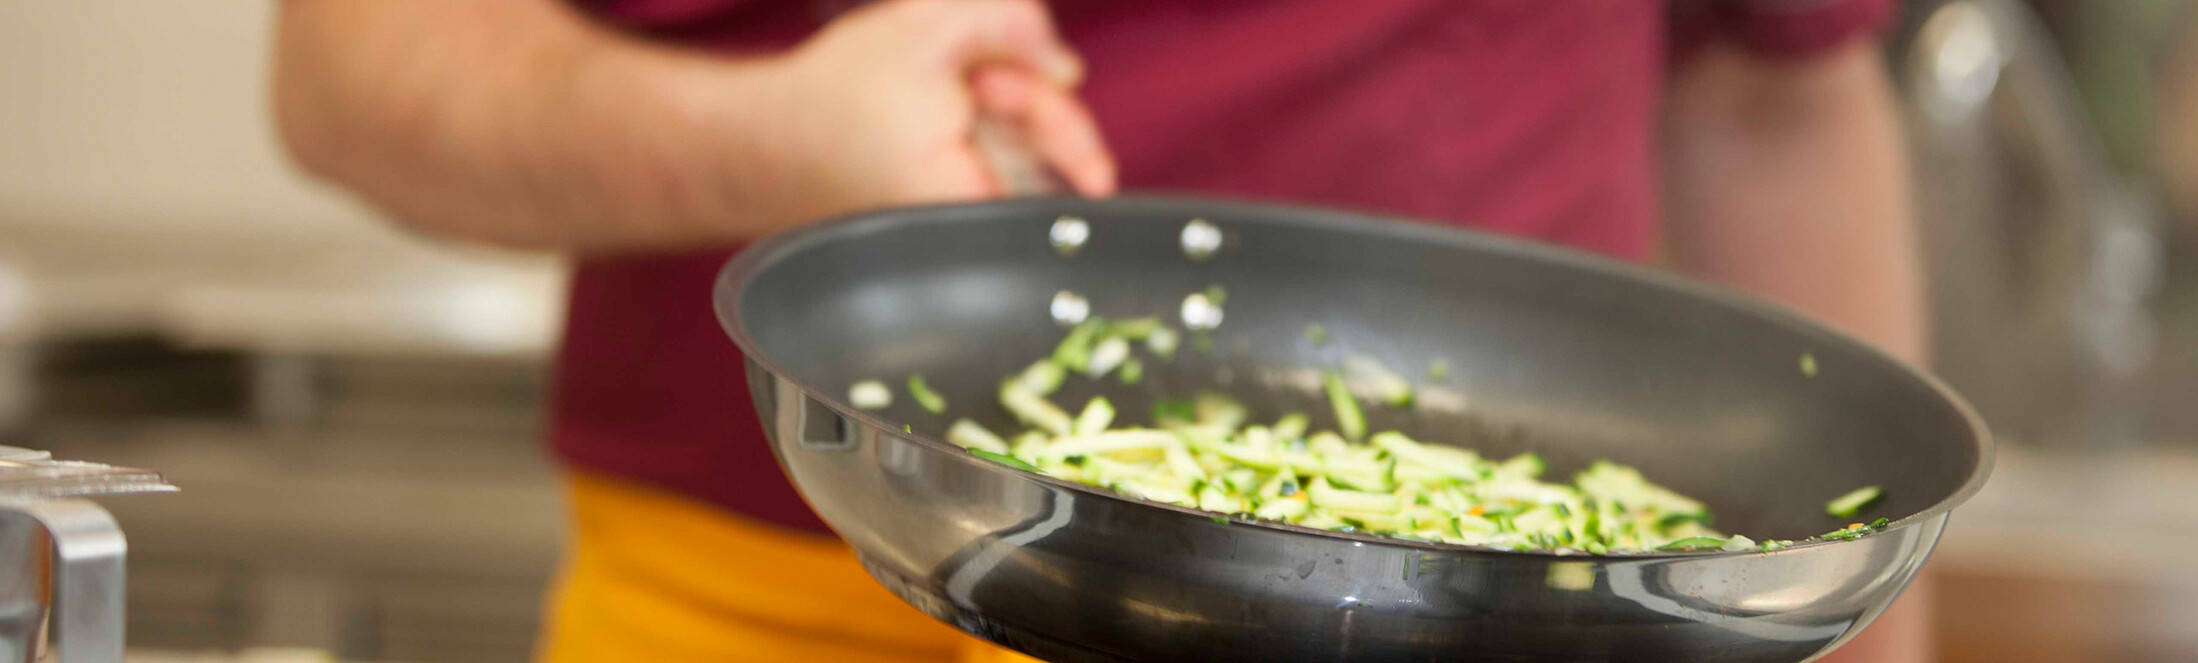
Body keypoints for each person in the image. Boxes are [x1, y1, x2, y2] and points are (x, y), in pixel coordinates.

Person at [272, 0, 1931, 661]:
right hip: (770, 598)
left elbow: (1774, 95)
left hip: (1510, 633)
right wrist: (785, 139)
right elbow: (356, 71)